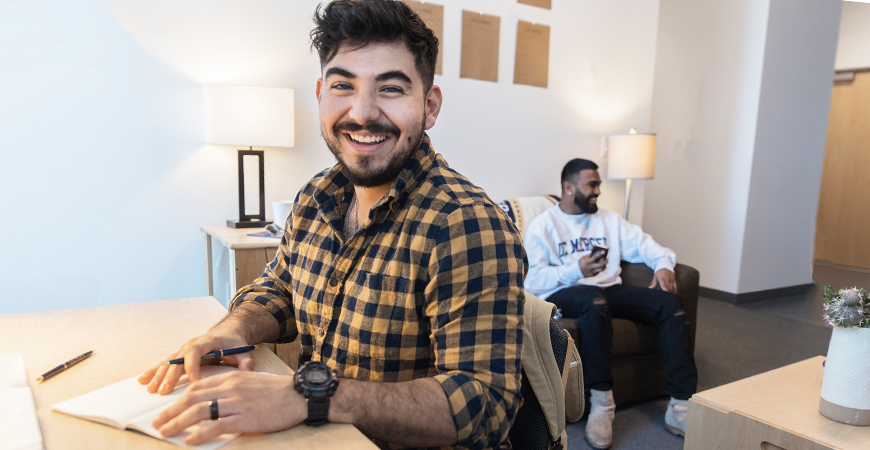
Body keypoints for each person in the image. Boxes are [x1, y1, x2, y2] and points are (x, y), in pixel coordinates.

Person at [137, 1, 527, 449]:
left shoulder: (466, 225)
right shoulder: (317, 195)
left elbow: (486, 405)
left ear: (430, 105)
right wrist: (232, 330)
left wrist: (310, 397)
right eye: (344, 85)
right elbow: (280, 288)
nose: (362, 112)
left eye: (392, 89)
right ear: (321, 93)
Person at [523, 158, 697, 449]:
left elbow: (646, 245)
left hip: (609, 289)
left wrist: (663, 265)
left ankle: (680, 406)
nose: (598, 191)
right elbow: (533, 280)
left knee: (669, 304)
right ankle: (602, 404)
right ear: (568, 187)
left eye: (599, 184)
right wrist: (577, 270)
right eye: (592, 184)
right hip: (565, 291)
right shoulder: (544, 226)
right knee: (595, 301)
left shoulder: (608, 219)